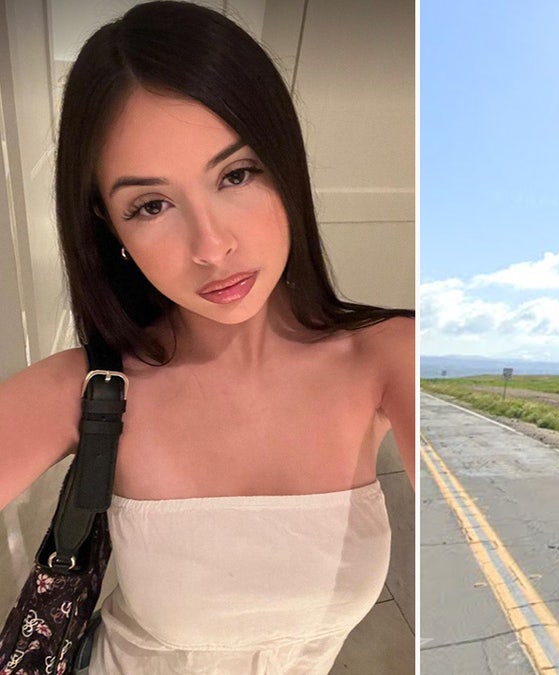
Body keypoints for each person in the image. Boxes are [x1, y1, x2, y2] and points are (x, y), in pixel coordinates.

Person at [0, 1, 415, 672]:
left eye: (236, 174)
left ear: (284, 165)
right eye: (152, 205)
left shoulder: (388, 355)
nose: (212, 245)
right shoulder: (89, 388)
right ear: (111, 228)